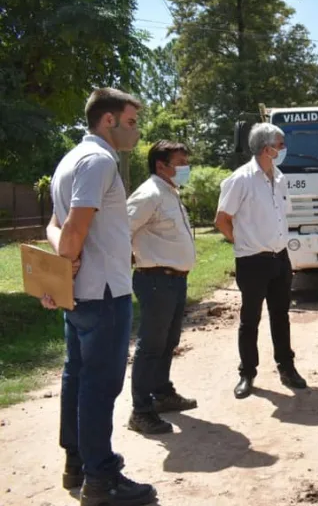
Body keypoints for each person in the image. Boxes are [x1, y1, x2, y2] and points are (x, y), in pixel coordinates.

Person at [43, 88, 156, 505]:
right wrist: (66, 260)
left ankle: (77, 463)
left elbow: (53, 226)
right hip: (104, 294)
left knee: (77, 378)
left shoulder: (70, 160)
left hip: (80, 295)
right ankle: (101, 479)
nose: (136, 131)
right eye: (131, 122)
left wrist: (60, 270)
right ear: (108, 120)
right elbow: (72, 230)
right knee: (99, 385)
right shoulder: (99, 161)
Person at [215, 122, 306, 399]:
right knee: (250, 319)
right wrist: (243, 243)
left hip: (280, 258)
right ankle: (247, 373)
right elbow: (222, 219)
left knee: (281, 315)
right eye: (280, 144)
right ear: (267, 149)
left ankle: (286, 367)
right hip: (252, 261)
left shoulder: (280, 177)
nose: (284, 149)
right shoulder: (240, 179)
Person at [126, 140, 197, 435]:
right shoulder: (149, 194)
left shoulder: (170, 192)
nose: (186, 168)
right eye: (180, 163)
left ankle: (162, 393)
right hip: (156, 280)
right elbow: (122, 230)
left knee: (168, 341)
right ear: (161, 165)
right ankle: (140, 411)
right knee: (151, 346)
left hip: (174, 280)